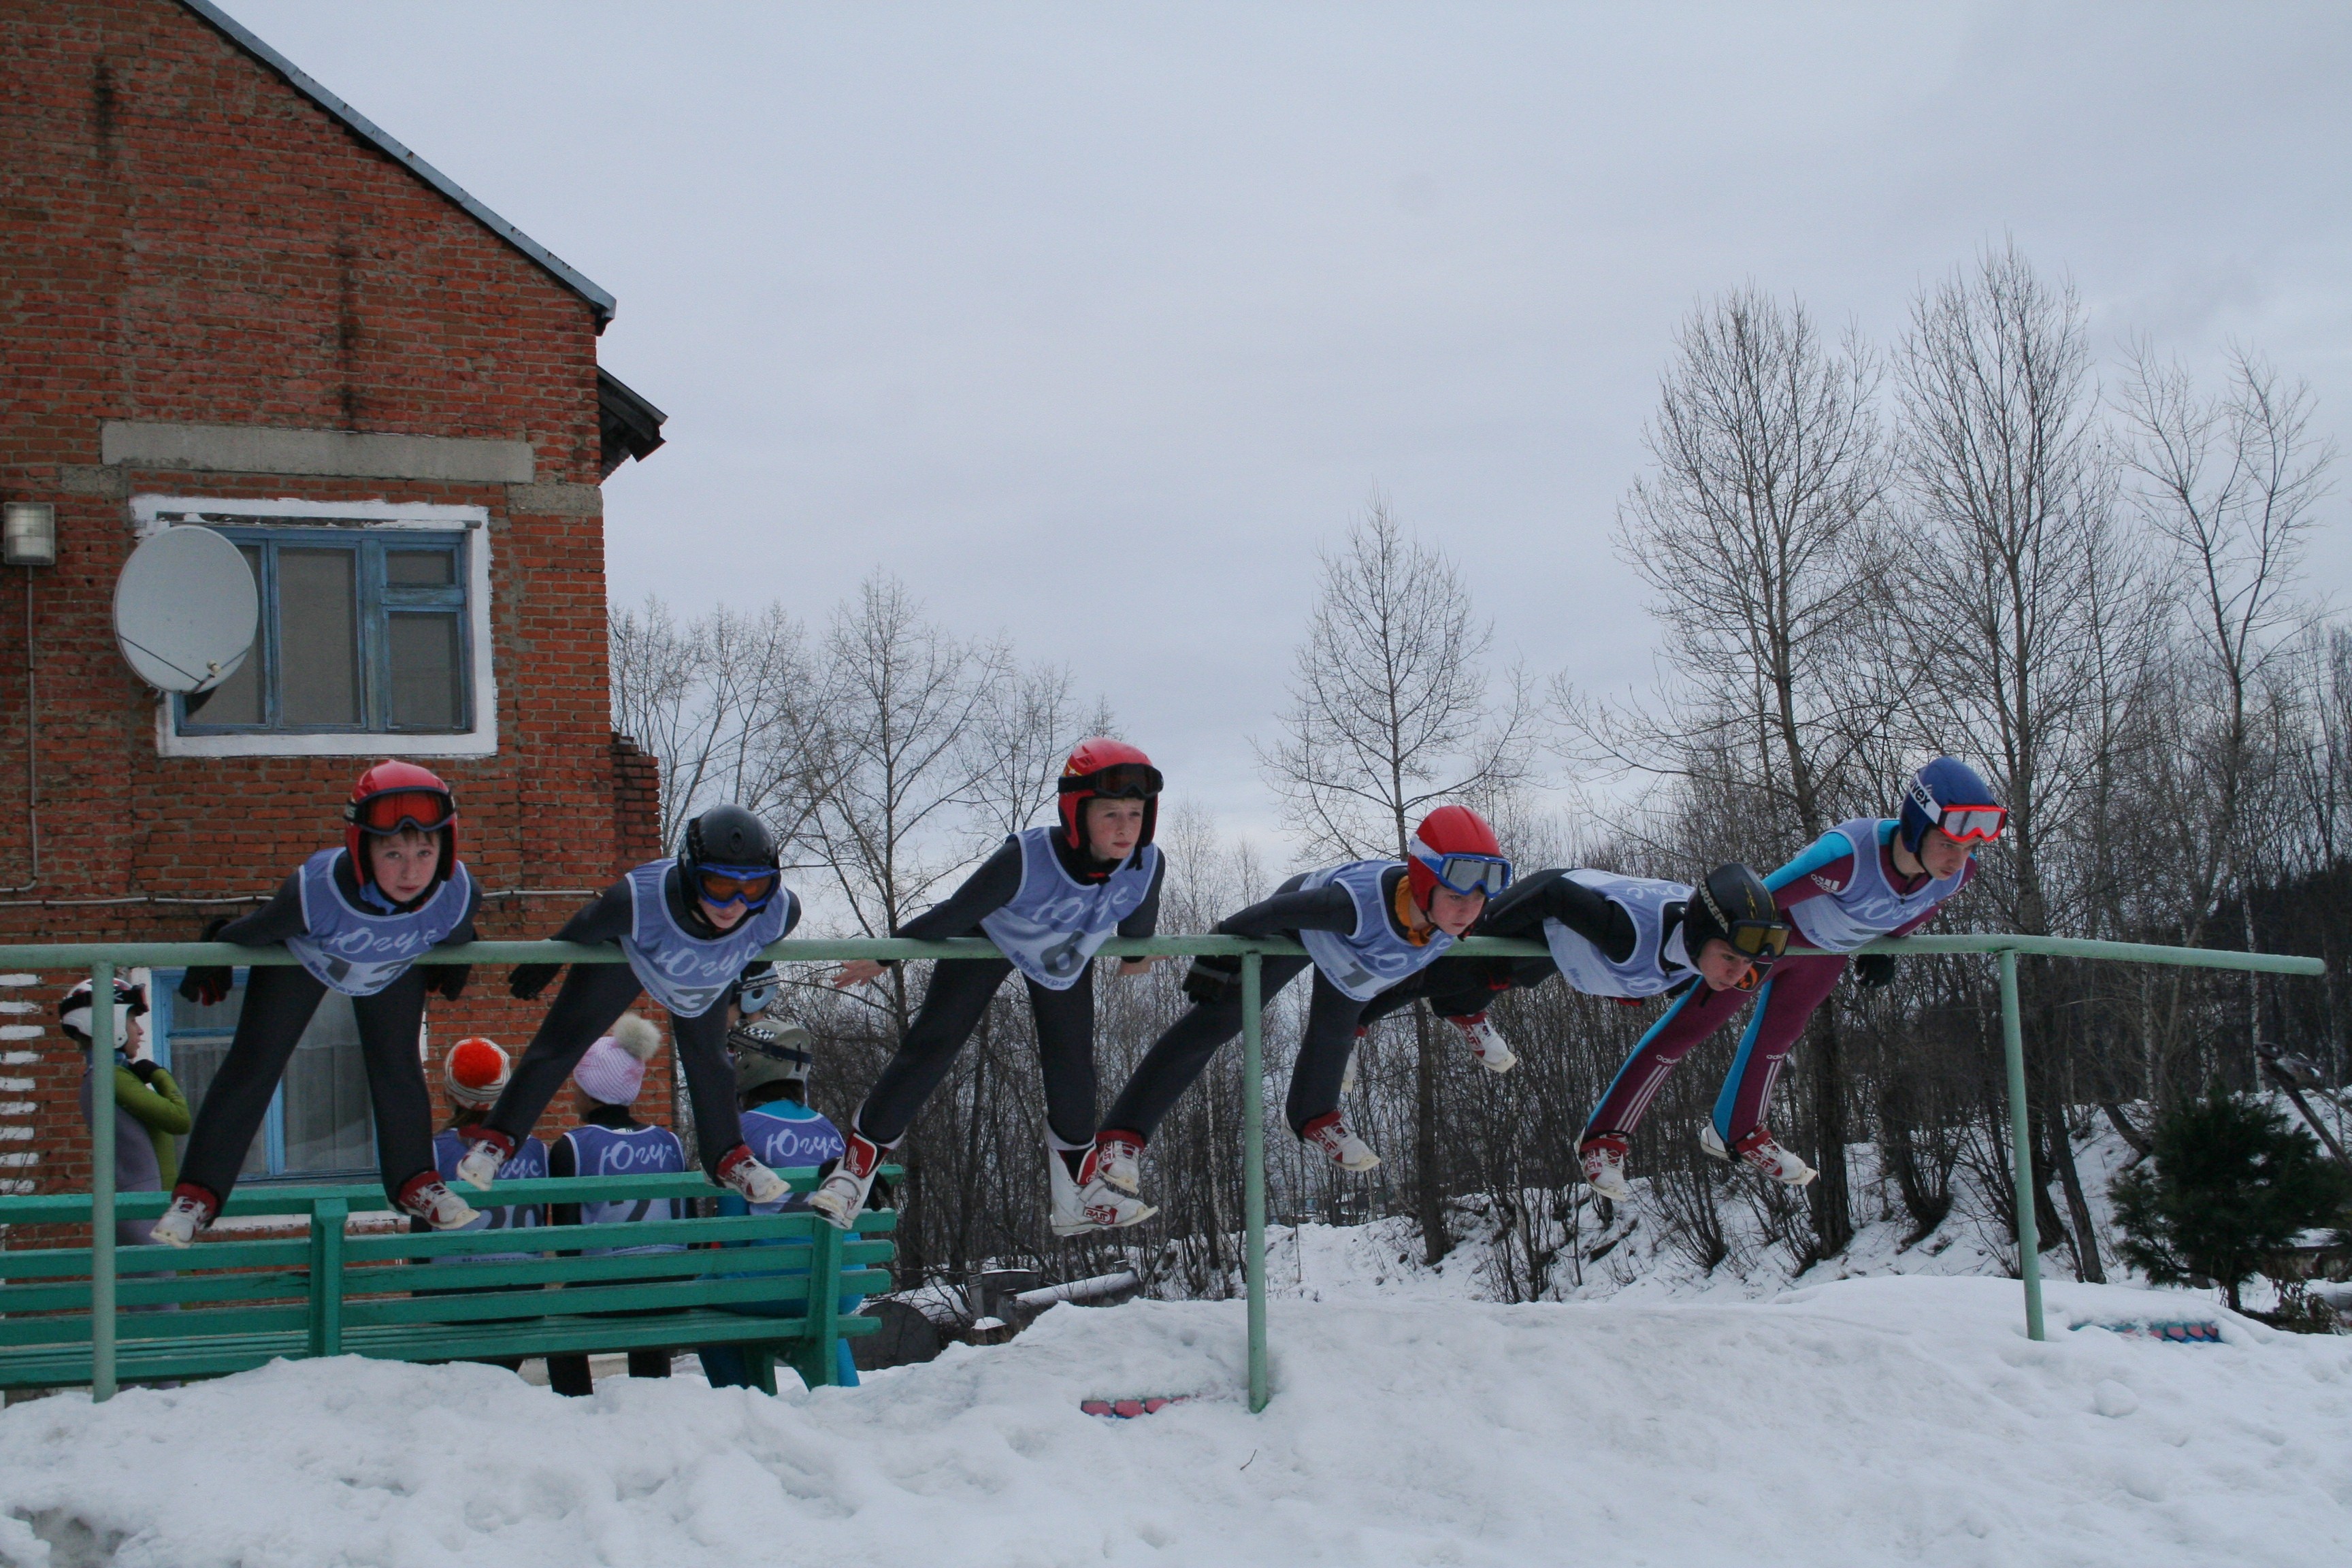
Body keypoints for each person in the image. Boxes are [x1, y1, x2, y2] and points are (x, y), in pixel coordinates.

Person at [1575, 756, 2005, 1200]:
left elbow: (1910, 913)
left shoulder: (1955, 877)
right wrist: (1674, 961)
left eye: (1969, 849)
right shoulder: (1848, 855)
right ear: (1917, 826)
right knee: (1689, 1028)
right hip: (1765, 945)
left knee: (1779, 1038)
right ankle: (1604, 1138)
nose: (1958, 860)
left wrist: (1886, 950)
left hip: (1825, 957)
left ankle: (1737, 1131)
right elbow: (1748, 901)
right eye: (1950, 844)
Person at [811, 740, 1167, 1236]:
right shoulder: (1026, 857)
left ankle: (1080, 1196)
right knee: (933, 1046)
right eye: (1111, 814)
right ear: (1077, 812)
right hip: (987, 939)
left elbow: (1138, 921)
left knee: (1073, 1067)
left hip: (1062, 955)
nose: (1126, 827)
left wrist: (1134, 955)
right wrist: (885, 953)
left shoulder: (1146, 862)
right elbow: (955, 912)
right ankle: (855, 1171)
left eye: (1135, 812)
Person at [1089, 804, 1510, 1203]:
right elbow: (1268, 914)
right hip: (1302, 928)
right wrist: (1217, 957)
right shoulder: (1349, 905)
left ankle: (1315, 1117)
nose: (1467, 911)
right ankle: (1123, 1134)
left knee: (1336, 1028)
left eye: (1477, 901)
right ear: (1423, 882)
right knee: (1220, 1022)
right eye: (1456, 898)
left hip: (1360, 955)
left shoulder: (1458, 923)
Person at [154, 762, 482, 1245]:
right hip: (306, 960)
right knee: (255, 1063)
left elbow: (458, 932)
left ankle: (415, 1180)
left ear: (446, 849)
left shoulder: (457, 895)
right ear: (362, 849)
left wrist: (466, 947)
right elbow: (261, 928)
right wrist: (216, 947)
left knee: (398, 1065)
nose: (411, 871)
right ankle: (198, 1194)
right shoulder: (316, 891)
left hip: (388, 967)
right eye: (392, 853)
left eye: (425, 851)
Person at [453, 804, 798, 1207]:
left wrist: (753, 961)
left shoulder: (778, 911)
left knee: (710, 1057)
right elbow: (590, 920)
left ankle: (726, 1154)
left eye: (753, 888)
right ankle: (498, 1139)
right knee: (563, 1042)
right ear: (690, 874)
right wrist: (552, 952)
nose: (735, 903)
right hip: (632, 956)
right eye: (718, 886)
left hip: (702, 972)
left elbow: (764, 942)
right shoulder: (639, 899)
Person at [1354, 861, 1790, 1074]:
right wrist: (1485, 933)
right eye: (1730, 959)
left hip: (1574, 944)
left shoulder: (1708, 955)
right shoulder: (1627, 934)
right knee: (1450, 970)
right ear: (1698, 938)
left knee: (1515, 976)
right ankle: (1351, 1026)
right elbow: (1553, 891)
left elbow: (1694, 966)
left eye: (1747, 963)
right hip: (1549, 903)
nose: (1736, 975)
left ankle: (1466, 1012)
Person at [698, 1018, 864, 1390]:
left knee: (703, 1298)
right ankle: (843, 1390)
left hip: (772, 1286)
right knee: (819, 1301)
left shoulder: (738, 1132)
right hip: (843, 1286)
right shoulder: (831, 1132)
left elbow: (734, 1235)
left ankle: (746, 1399)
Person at [544, 1014, 685, 1397]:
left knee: (556, 1315)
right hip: (669, 1291)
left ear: (589, 1092)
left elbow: (570, 1247)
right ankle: (651, 1391)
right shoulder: (669, 1143)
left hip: (604, 1291)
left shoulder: (571, 1146)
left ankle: (575, 1402)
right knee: (650, 1276)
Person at [65, 977, 189, 1256]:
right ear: (112, 1024)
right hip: (146, 1210)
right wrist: (159, 1075)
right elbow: (179, 1119)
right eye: (133, 1021)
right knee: (166, 1296)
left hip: (154, 1206)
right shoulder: (110, 1076)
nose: (140, 1031)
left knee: (172, 1294)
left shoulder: (105, 1076)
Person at [427, 1037, 549, 1259]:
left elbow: (420, 1240)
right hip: (526, 1282)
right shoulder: (536, 1149)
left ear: (449, 1094)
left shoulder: (435, 1151)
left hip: (454, 1284)